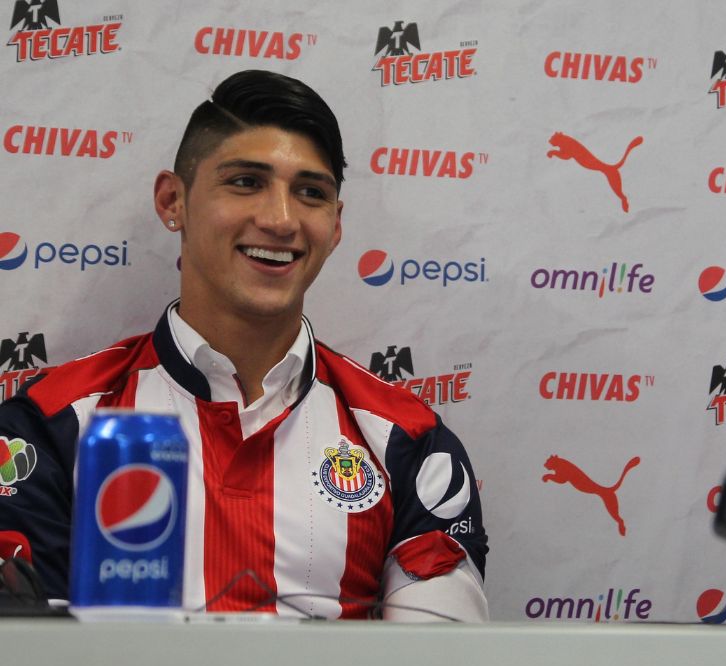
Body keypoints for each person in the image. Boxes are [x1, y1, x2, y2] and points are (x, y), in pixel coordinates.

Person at [0, 70, 488, 621]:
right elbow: (29, 653)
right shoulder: (48, 425)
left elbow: (434, 660)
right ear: (172, 201)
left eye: (311, 193)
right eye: (246, 182)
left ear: (337, 223)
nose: (280, 220)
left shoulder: (410, 441)